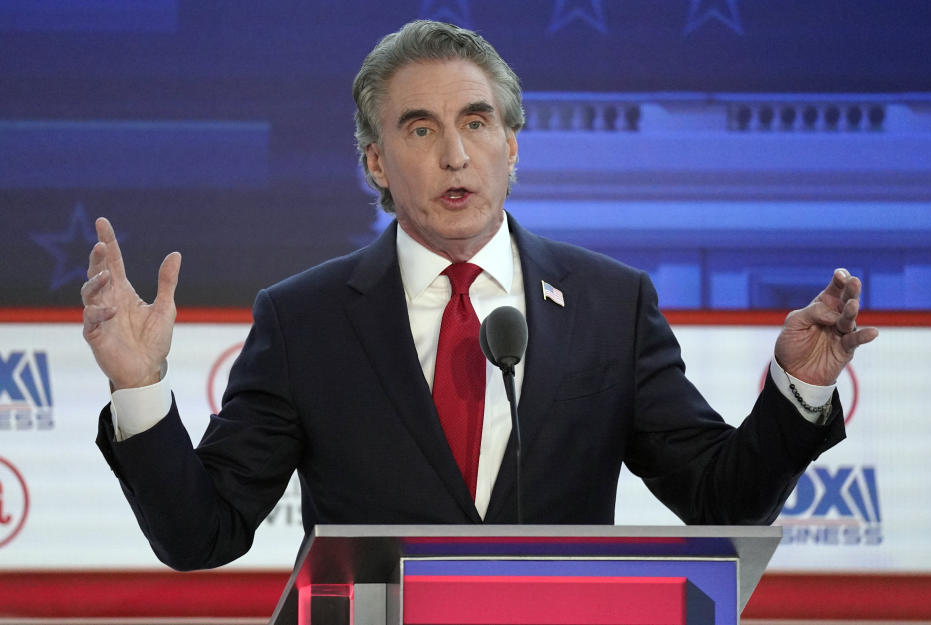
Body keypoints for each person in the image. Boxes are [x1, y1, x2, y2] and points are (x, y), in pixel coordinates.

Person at [81, 20, 877, 572]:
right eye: (420, 130)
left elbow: (720, 503)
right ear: (377, 164)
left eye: (477, 121)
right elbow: (201, 533)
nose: (456, 154)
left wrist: (800, 387)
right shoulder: (304, 320)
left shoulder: (611, 303)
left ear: (513, 146)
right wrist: (139, 386)